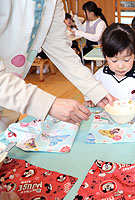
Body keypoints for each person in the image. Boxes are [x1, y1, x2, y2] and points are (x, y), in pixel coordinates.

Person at [0, 0, 116, 132]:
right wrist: (48, 104)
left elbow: (61, 49)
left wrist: (95, 90)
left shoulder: (53, 3)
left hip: (12, 99)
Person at [84, 23, 135, 108]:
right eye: (114, 60)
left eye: (126, 60)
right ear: (105, 56)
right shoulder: (99, 76)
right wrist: (90, 101)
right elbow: (89, 96)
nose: (120, 66)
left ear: (134, 54)